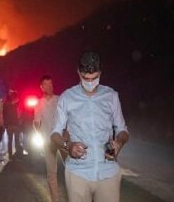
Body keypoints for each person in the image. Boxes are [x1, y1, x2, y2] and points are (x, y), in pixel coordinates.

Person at [51, 51, 129, 202]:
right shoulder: (67, 97)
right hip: (78, 173)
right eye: (86, 78)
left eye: (94, 78)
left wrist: (119, 143)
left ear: (100, 72)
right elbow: (55, 134)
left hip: (108, 171)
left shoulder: (111, 96)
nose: (90, 82)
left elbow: (122, 130)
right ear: (78, 73)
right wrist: (69, 145)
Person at [34, 75, 66, 202]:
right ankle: (55, 199)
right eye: (46, 84)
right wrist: (40, 133)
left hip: (62, 139)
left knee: (71, 167)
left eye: (51, 84)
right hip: (48, 141)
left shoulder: (60, 100)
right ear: (42, 87)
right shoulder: (39, 103)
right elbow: (36, 122)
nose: (50, 86)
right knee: (51, 173)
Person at [2, 90, 22, 159]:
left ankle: (13, 156)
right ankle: (14, 156)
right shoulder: (8, 103)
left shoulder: (8, 103)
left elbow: (19, 113)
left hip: (12, 124)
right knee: (14, 140)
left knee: (13, 140)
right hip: (12, 125)